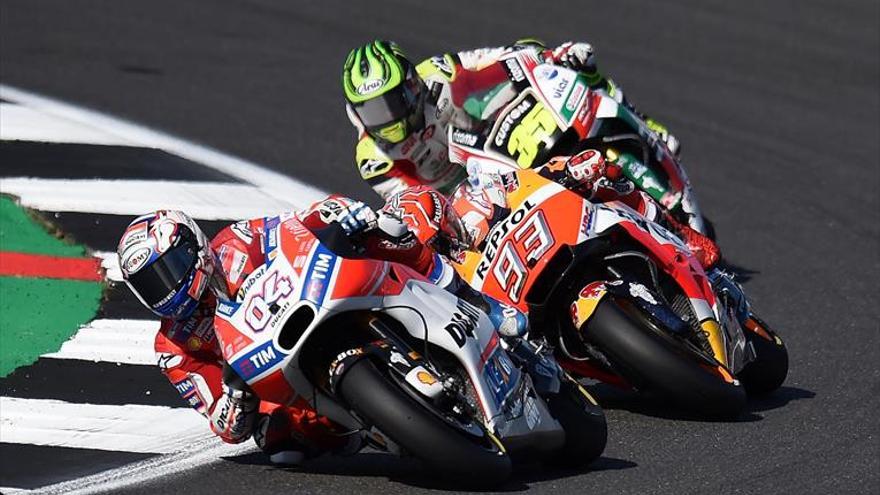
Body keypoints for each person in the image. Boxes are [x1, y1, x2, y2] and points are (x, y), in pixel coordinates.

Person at [117, 199, 526, 465]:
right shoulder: (173, 349)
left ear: (194, 248)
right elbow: (225, 427)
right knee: (278, 443)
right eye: (152, 284)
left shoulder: (235, 241)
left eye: (168, 271)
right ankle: (370, 424)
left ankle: (476, 299)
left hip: (313, 302)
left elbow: (297, 225)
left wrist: (338, 215)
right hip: (277, 374)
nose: (167, 289)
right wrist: (237, 397)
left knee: (385, 234)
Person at [342, 39, 679, 200]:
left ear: (410, 85)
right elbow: (410, 201)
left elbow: (493, 60)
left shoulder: (437, 72)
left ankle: (647, 130)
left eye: (388, 105)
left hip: (494, 146)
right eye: (370, 110)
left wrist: (543, 56)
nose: (384, 120)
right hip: (468, 200)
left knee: (576, 64)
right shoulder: (374, 160)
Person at [387, 148, 719, 271]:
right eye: (435, 243)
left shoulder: (469, 204)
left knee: (598, 176)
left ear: (444, 215)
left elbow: (518, 184)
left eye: (441, 231)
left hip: (553, 238)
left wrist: (564, 171)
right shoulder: (442, 275)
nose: (445, 242)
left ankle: (677, 232)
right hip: (528, 309)